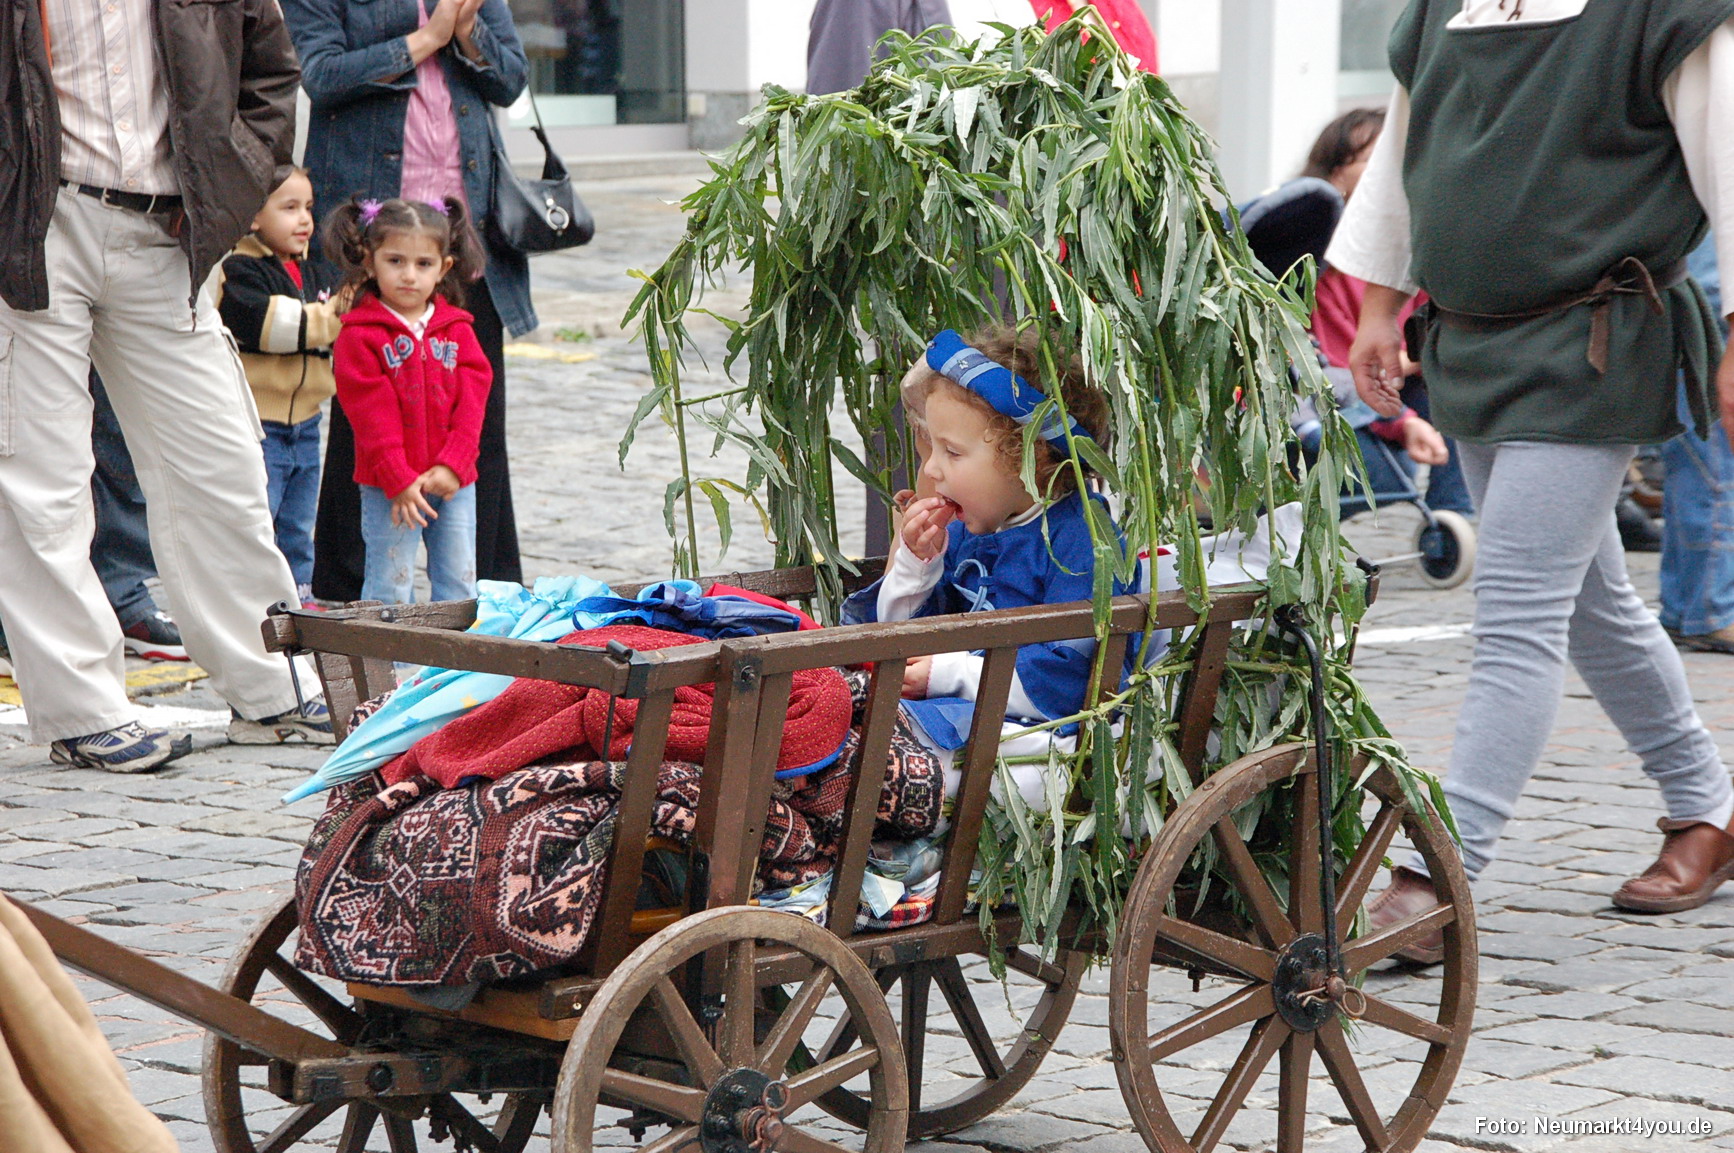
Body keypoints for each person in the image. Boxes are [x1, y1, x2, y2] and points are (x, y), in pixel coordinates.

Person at [1331, 0, 1734, 947]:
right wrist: (1380, 307)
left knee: (1518, 612)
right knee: (1592, 603)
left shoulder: (1666, 10)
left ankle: (1440, 873)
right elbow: (1401, 157)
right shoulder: (1441, 7)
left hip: (1596, 345)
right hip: (1474, 344)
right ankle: (1708, 807)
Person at [0, 0, 333, 772]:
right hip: (35, 219)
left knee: (218, 459)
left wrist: (233, 183)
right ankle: (81, 708)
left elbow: (271, 69)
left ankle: (269, 683)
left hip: (167, 228)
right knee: (40, 477)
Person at [283, 0, 533, 603]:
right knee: (362, 414)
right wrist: (426, 39)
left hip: (459, 240)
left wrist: (467, 33)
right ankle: (347, 596)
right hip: (381, 241)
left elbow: (511, 81)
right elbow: (320, 75)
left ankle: (491, 599)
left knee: (478, 413)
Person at [847, 327, 1126, 810]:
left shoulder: (1084, 538)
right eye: (932, 448)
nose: (932, 470)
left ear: (1031, 456)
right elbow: (897, 639)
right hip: (953, 717)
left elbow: (1070, 684)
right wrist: (917, 566)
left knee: (873, 757)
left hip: (1035, 740)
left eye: (952, 452)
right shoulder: (968, 527)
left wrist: (950, 673)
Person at [327, 197, 493, 605]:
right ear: (369, 262)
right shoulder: (360, 336)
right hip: (390, 487)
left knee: (459, 582)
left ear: (444, 268)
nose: (409, 276)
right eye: (395, 261)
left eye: (423, 264)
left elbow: (473, 402)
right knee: (389, 584)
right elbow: (369, 414)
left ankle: (457, 660)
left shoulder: (458, 330)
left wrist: (455, 463)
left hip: (453, 483)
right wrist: (397, 477)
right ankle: (391, 667)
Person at [216, 169, 348, 608]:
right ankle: (252, 600)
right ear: (253, 216)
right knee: (261, 516)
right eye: (289, 208)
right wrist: (339, 315)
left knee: (296, 520)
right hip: (261, 422)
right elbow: (277, 328)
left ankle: (297, 595)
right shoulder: (239, 270)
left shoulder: (309, 269)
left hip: (307, 421)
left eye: (308, 208)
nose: (305, 220)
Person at [1661, 233, 1734, 653]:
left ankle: (1686, 607)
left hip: (1699, 298)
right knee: (1715, 465)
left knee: (1694, 464)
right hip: (1713, 303)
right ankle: (1713, 608)